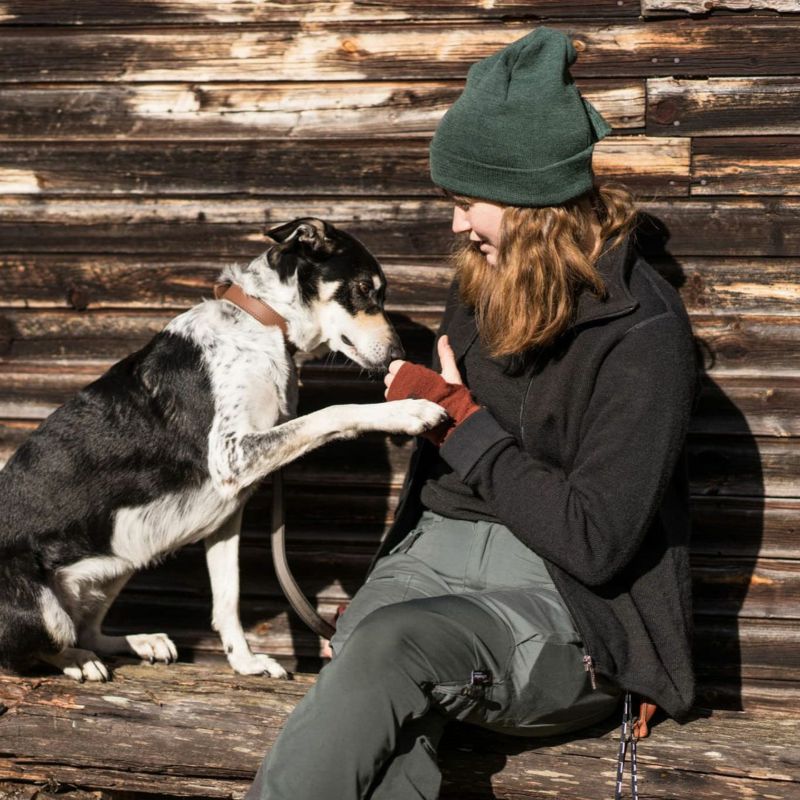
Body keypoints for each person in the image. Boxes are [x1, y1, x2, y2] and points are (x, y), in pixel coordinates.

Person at [245, 26, 697, 800]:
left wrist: (459, 419)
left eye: (467, 204)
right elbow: (446, 471)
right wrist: (398, 551)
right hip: (436, 560)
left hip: (567, 599)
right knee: (375, 668)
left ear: (532, 203)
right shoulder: (482, 282)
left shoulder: (644, 336)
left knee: (390, 648)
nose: (456, 224)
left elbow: (594, 543)